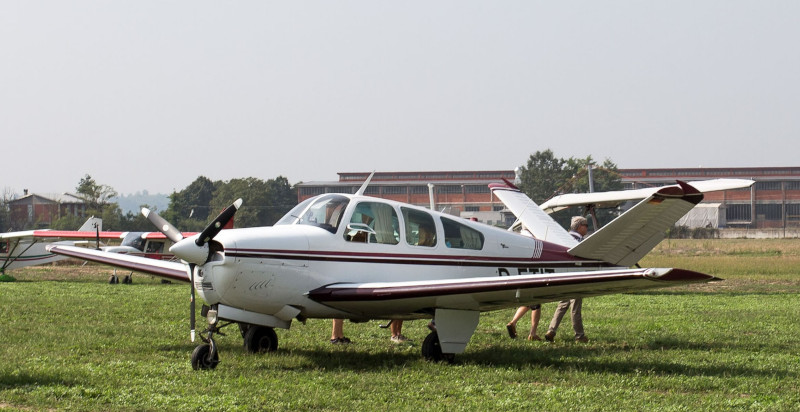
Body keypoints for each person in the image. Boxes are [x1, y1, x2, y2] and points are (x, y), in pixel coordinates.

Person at [544, 216, 590, 343]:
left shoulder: (564, 237)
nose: (587, 228)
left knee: (563, 304)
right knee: (575, 307)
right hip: (575, 276)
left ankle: (551, 330)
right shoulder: (577, 240)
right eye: (585, 225)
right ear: (580, 226)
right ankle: (579, 336)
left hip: (563, 275)